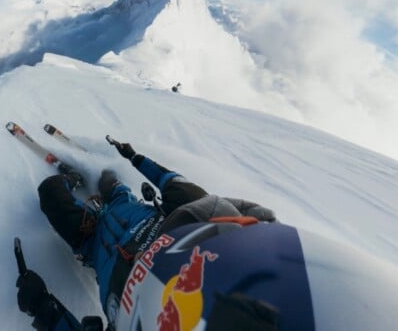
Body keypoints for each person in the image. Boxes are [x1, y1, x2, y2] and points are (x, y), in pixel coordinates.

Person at [16, 137, 277, 330]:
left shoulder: (151, 321)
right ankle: (87, 178)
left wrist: (41, 306)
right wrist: (135, 157)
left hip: (92, 240)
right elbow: (172, 181)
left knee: (51, 194)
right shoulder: (208, 226)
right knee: (107, 178)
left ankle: (73, 180)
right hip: (126, 206)